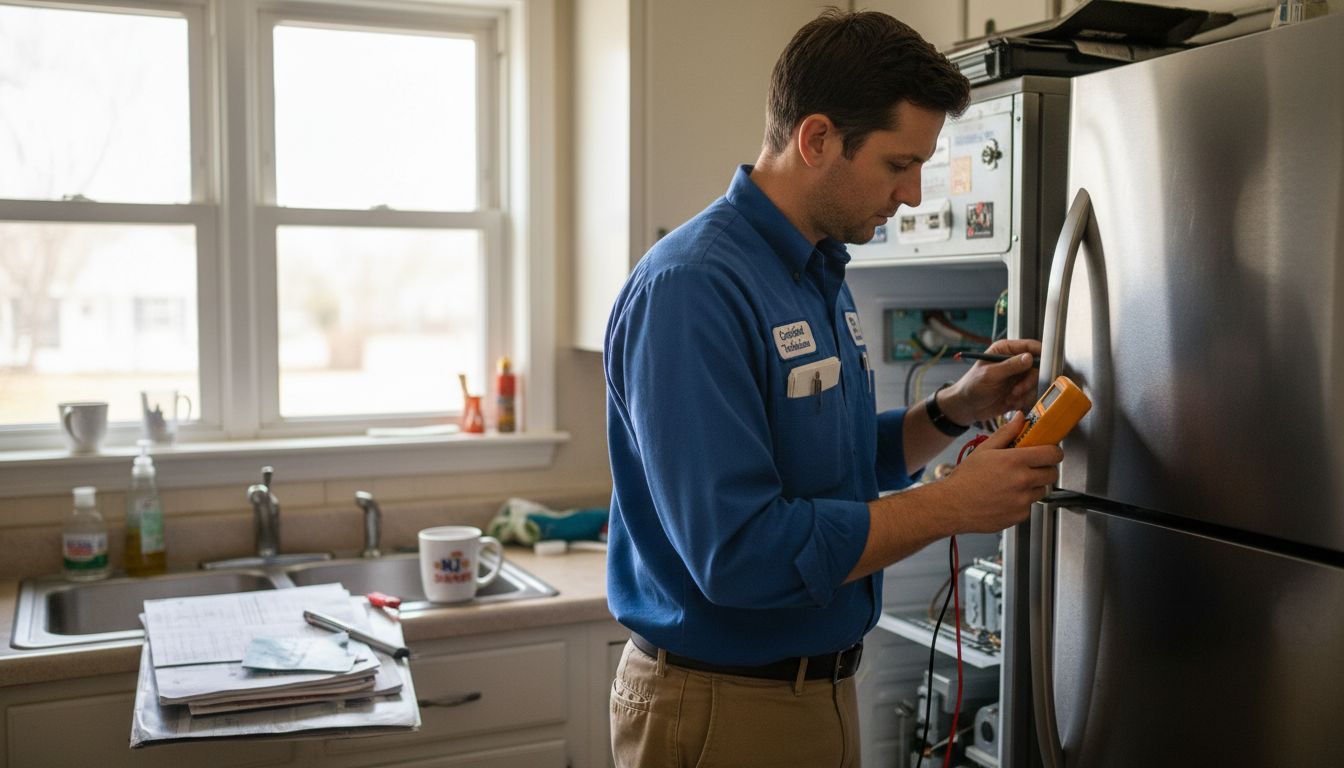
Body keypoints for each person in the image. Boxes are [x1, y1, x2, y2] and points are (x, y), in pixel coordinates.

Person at [603, 9, 1064, 768]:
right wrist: (952, 504)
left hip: (816, 692)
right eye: (896, 164)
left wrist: (956, 409)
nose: (913, 194)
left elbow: (841, 465)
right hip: (721, 706)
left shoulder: (817, 269)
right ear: (816, 139)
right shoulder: (694, 288)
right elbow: (741, 551)